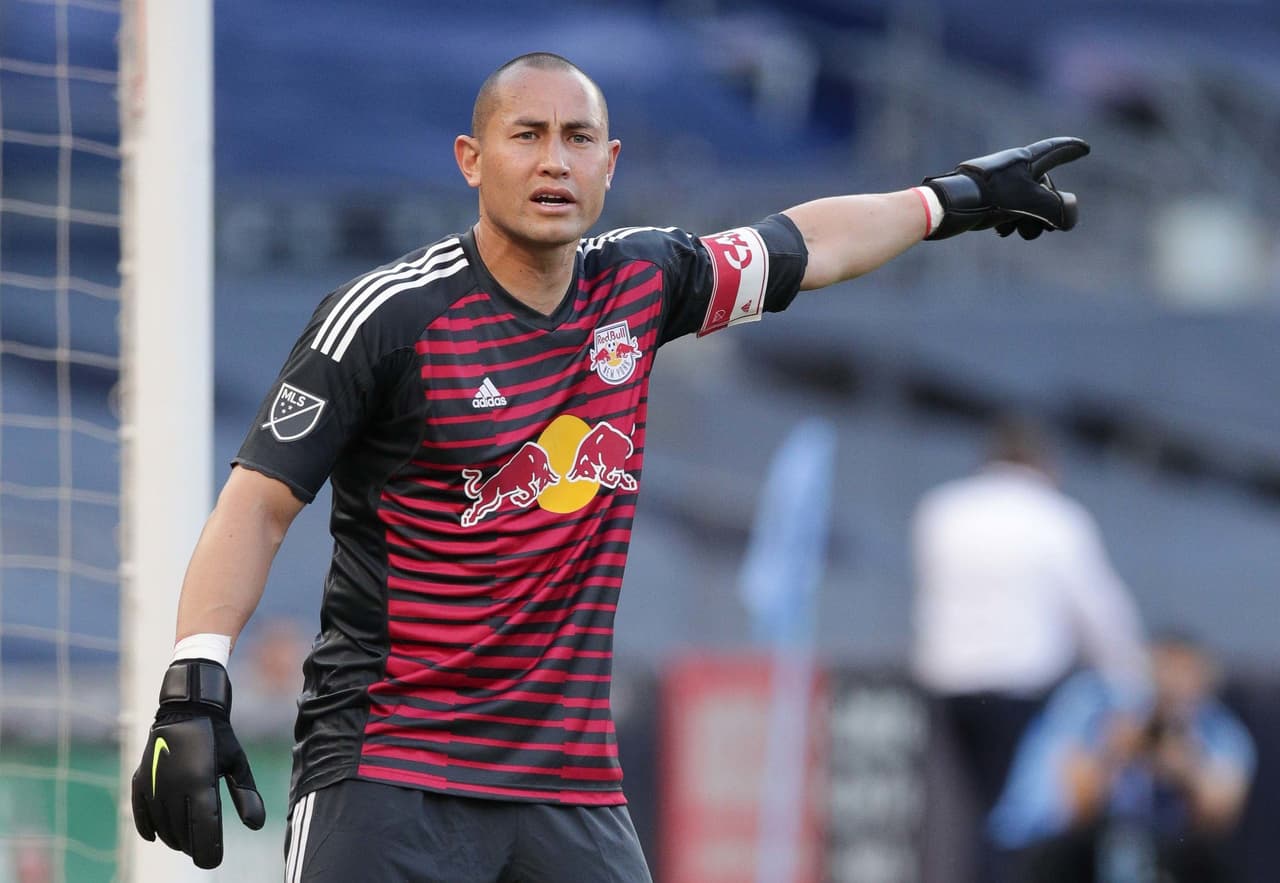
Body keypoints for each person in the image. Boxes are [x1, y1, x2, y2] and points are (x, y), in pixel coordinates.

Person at [130, 52, 1090, 881]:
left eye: (579, 138)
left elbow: (806, 243)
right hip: (392, 772)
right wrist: (193, 675)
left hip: (568, 785)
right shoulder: (387, 318)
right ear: (472, 159)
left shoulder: (642, 281)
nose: (554, 159)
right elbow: (257, 503)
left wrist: (949, 200)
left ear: (609, 161)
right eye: (527, 134)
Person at [910, 417, 1147, 880]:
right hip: (1021, 690)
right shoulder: (1055, 516)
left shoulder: (941, 509)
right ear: (1043, 463)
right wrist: (1131, 683)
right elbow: (1100, 611)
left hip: (948, 685)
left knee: (975, 810)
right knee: (1016, 818)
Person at [989, 633, 1255, 883]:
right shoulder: (1094, 701)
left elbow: (1221, 815)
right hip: (1042, 847)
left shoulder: (1218, 728)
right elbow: (1078, 804)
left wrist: (1184, 770)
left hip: (1142, 851)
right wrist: (1115, 751)